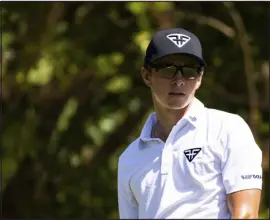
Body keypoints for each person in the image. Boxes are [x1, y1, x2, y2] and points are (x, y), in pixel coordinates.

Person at [117, 28, 262, 219]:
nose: (179, 80)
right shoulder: (130, 158)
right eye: (168, 69)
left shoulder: (229, 129)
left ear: (200, 78)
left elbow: (246, 214)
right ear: (147, 75)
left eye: (189, 71)